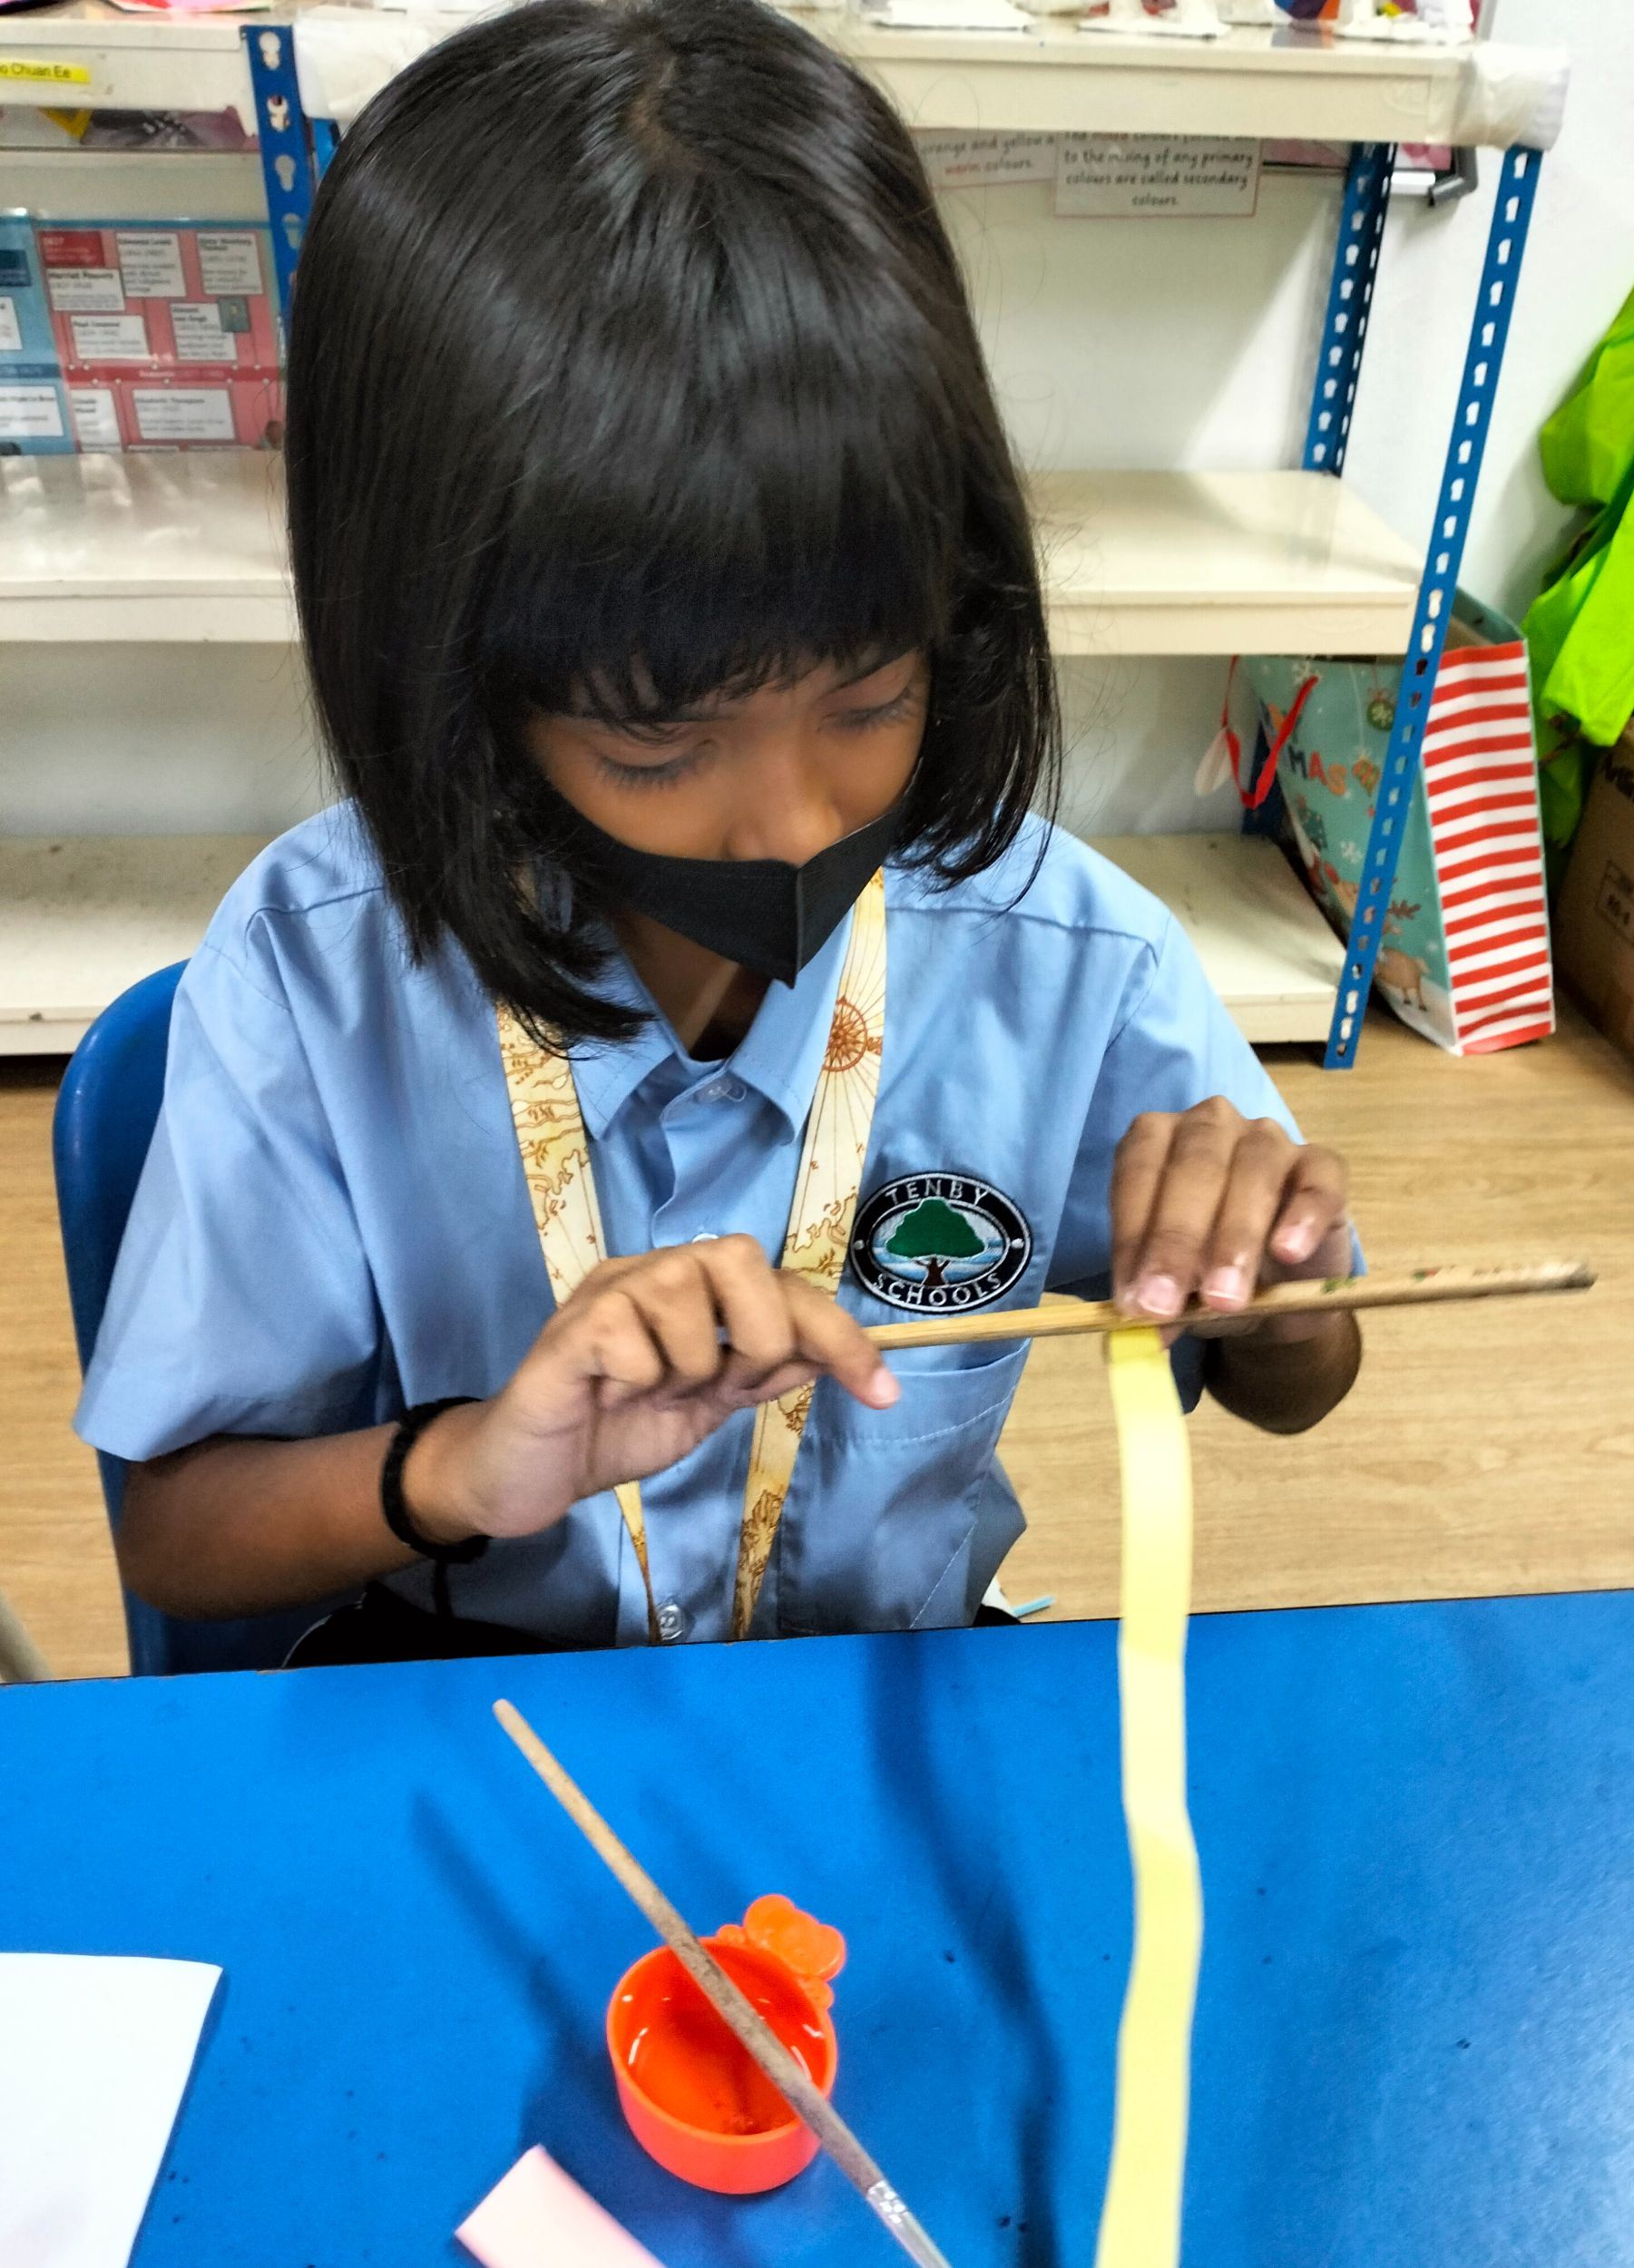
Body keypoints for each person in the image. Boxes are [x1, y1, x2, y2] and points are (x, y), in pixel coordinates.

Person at [75, 0, 1361, 1665]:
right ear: (454, 680)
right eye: (656, 740)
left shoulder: (1066, 961)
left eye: (870, 698)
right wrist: (470, 1462)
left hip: (876, 1690)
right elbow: (180, 1540)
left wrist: (1277, 1287)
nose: (792, 824)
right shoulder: (322, 974)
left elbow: (1299, 1387)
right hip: (469, 1697)